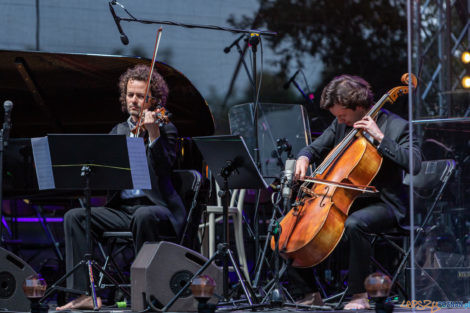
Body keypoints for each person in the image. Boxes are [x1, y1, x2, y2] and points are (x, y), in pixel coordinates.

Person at [57, 64, 185, 310]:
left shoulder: (165, 127)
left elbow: (165, 166)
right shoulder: (118, 131)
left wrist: (153, 134)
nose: (134, 101)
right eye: (130, 95)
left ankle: (145, 292)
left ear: (153, 100)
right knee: (75, 217)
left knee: (143, 214)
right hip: (122, 210)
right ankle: (86, 293)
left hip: (155, 208)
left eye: (140, 96)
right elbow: (105, 172)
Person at [294, 75, 422, 310]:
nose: (339, 120)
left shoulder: (398, 126)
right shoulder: (341, 124)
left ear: (360, 107)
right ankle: (310, 292)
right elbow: (315, 147)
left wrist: (380, 137)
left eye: (342, 115)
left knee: (355, 224)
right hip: (351, 201)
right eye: (337, 117)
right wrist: (303, 157)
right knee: (293, 224)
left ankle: (359, 295)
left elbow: (414, 163)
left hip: (387, 204)